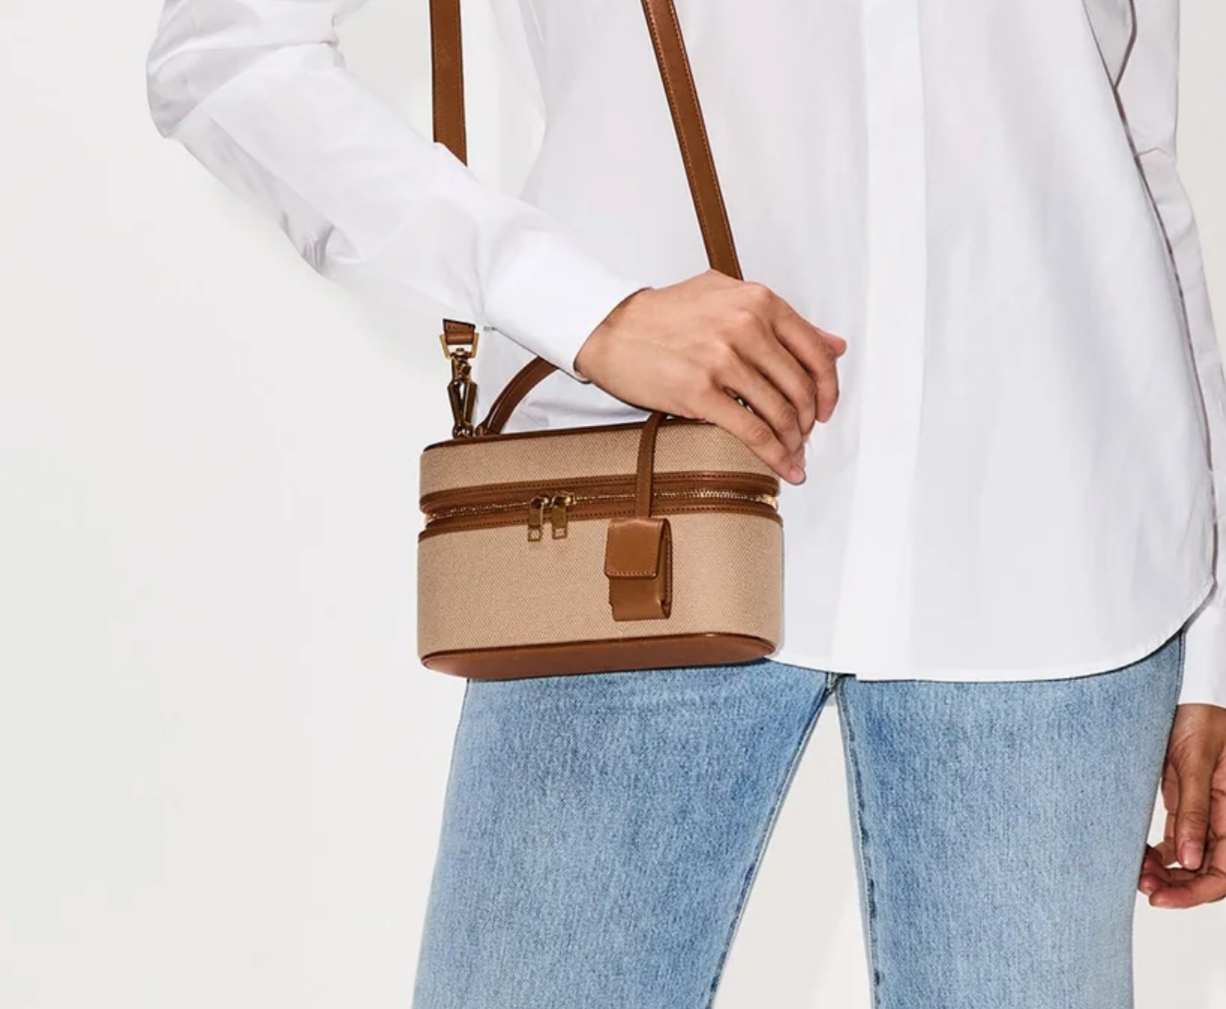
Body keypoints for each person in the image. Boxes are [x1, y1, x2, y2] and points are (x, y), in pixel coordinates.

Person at [145, 1, 1226, 1006]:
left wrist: (1214, 647)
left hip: (1065, 541)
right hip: (640, 518)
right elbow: (227, 55)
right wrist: (584, 308)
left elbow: (1136, 160)